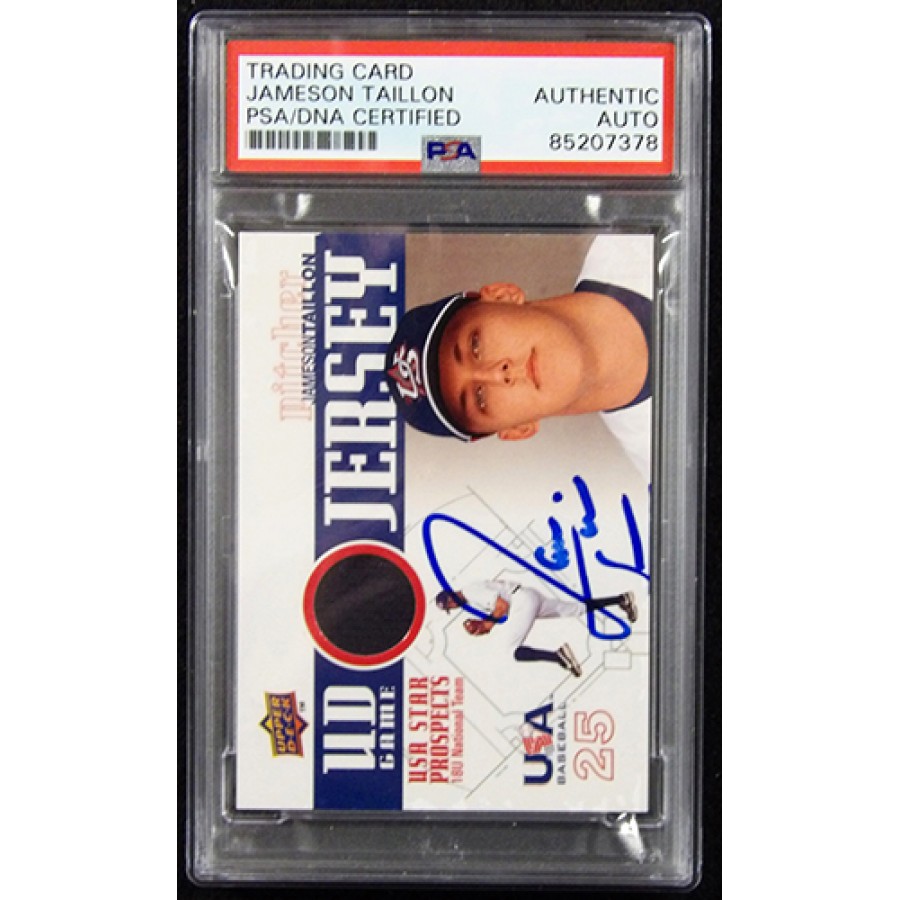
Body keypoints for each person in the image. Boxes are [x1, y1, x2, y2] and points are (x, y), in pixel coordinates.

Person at [385, 235, 654, 482]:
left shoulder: (636, 230)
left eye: (476, 346)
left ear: (502, 296)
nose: (498, 374)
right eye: (480, 398)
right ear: (517, 429)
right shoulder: (665, 470)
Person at [435, 579, 638, 678]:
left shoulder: (472, 592)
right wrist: (483, 623)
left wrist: (487, 624)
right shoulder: (470, 596)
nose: (453, 607)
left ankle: (558, 656)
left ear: (450, 596)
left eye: (450, 604)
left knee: (511, 650)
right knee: (576, 609)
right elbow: (500, 609)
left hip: (521, 601)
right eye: (449, 608)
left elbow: (502, 607)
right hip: (527, 597)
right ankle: (622, 599)